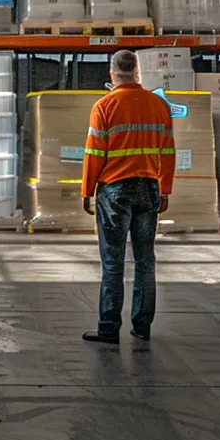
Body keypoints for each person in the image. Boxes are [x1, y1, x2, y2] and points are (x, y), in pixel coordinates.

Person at [80, 50, 176, 345]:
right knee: (145, 260)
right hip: (149, 189)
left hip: (115, 191)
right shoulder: (159, 105)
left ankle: (109, 328)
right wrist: (166, 189)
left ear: (111, 74)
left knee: (113, 261)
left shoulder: (104, 105)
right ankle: (142, 326)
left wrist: (87, 191)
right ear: (137, 72)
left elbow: (94, 152)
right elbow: (168, 151)